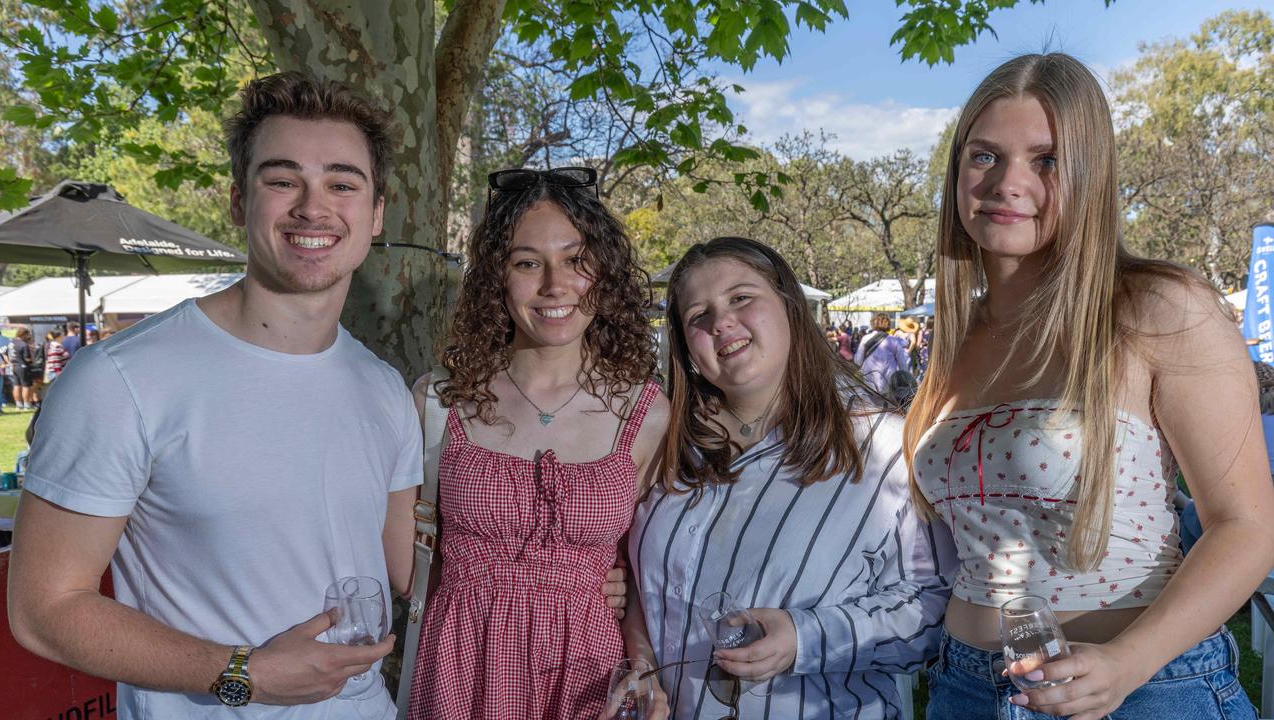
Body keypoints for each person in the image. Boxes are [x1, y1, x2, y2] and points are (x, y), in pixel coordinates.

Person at [9, 72, 422, 719]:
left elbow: (410, 573)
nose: (314, 207)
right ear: (238, 201)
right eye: (283, 180)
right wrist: (245, 675)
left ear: (375, 213)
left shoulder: (384, 388)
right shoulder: (121, 380)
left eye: (342, 183)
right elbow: (44, 608)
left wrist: (587, 571)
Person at [903, 53, 1274, 720]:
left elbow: (1246, 528)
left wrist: (1128, 663)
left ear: (1088, 175)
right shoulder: (959, 335)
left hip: (1140, 688)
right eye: (984, 156)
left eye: (1045, 160)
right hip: (964, 689)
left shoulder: (1158, 307)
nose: (1007, 183)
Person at [626, 237, 954, 719]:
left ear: (789, 307)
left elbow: (936, 609)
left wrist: (806, 637)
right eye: (699, 315)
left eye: (741, 298)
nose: (721, 322)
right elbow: (636, 584)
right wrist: (642, 667)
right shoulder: (663, 446)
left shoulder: (884, 447)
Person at [405, 166, 668, 720]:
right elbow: (400, 563)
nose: (555, 285)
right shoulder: (438, 403)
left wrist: (639, 645)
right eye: (527, 263)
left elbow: (654, 569)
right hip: (460, 676)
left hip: (587, 681)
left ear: (605, 273)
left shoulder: (645, 414)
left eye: (576, 260)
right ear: (496, 278)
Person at [854, 312, 909, 396]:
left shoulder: (865, 338)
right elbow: (903, 365)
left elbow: (858, 361)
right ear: (888, 324)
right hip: (887, 384)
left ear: (873, 323)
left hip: (868, 383)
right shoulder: (894, 341)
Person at [8, 327, 33, 410]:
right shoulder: (23, 344)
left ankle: (18, 405)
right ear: (24, 334)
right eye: (27, 334)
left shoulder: (11, 343)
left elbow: (5, 353)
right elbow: (27, 358)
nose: (28, 336)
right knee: (26, 386)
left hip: (13, 366)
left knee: (16, 386)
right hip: (22, 366)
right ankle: (27, 404)